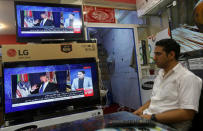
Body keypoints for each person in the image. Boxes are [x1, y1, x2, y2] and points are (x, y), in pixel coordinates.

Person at [133, 39, 202, 131]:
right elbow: (155, 99)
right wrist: (140, 110)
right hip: (151, 120)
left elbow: (187, 113)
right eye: (155, 54)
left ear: (171, 55)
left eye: (158, 54)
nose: (154, 58)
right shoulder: (160, 75)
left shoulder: (187, 78)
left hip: (169, 126)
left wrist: (152, 118)